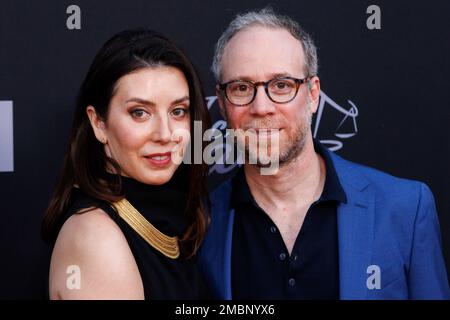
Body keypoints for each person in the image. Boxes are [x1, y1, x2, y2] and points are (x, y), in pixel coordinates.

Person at [198, 8, 450, 299]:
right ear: (222, 102)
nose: (261, 107)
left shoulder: (405, 209)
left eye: (281, 85)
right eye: (241, 88)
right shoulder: (200, 224)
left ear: (313, 94)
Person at [42, 29, 211, 299]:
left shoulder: (175, 218)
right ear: (98, 123)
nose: (165, 134)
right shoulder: (95, 237)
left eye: (178, 111)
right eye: (140, 113)